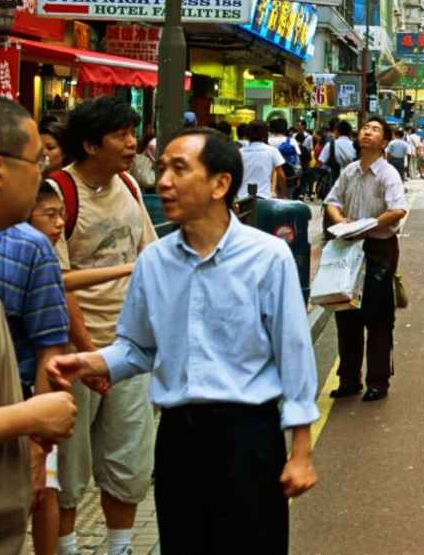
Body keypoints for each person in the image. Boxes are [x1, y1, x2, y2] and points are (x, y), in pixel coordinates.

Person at [47, 127, 319, 553]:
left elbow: (294, 354)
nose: (165, 183)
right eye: (161, 169)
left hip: (248, 438)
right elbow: (136, 347)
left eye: (179, 169)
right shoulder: (153, 261)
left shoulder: (267, 257)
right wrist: (90, 362)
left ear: (220, 183)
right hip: (178, 440)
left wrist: (300, 450)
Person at [50, 96, 156, 555]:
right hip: (72, 354)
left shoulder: (130, 186)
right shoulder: (58, 194)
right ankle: (69, 547)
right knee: (69, 468)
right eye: (121, 135)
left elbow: (148, 258)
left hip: (129, 350)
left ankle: (120, 547)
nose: (133, 143)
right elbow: (57, 284)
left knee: (129, 461)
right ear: (92, 145)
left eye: (132, 133)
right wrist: (90, 355)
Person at [0, 99, 77, 555]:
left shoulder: (29, 248)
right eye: (37, 161)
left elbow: (50, 342)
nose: (44, 174)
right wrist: (30, 418)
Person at [325, 119, 408, 403]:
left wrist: (367, 225)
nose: (366, 132)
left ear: (384, 141)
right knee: (346, 312)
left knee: (378, 317)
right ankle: (349, 379)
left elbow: (397, 210)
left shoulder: (388, 174)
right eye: (364, 128)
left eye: (374, 130)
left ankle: (377, 381)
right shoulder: (349, 171)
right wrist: (343, 222)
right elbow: (332, 201)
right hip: (348, 247)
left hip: (378, 249)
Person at [236, 121, 285, 202]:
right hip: (264, 198)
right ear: (265, 135)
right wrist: (284, 194)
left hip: (242, 197)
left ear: (247, 135)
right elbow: (281, 175)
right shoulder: (272, 151)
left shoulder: (239, 152)